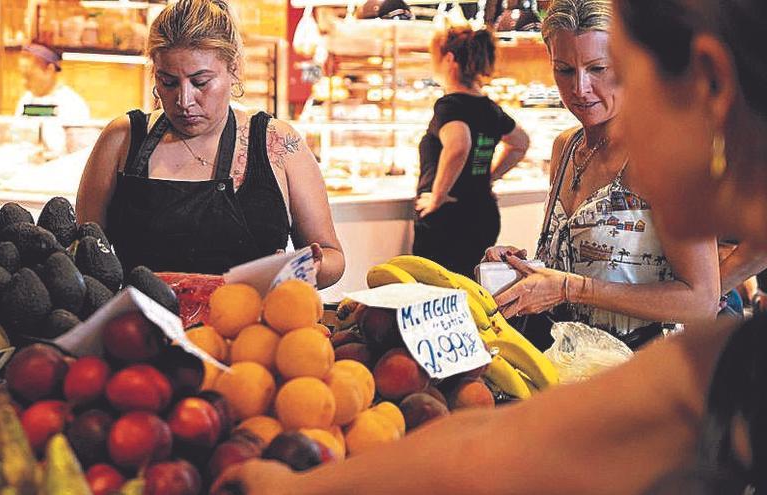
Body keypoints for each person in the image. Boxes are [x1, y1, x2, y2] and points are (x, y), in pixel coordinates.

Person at [210, 0, 766, 492]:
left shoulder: (724, 369)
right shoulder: (732, 364)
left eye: (620, 75)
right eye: (566, 70)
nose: (585, 92)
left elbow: (485, 455)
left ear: (711, 84)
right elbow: (485, 448)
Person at [483, 0, 719, 348]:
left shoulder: (666, 155)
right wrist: (529, 268)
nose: (580, 88)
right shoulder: (566, 147)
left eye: (598, 68)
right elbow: (581, 259)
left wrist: (570, 288)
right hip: (562, 367)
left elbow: (702, 300)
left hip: (641, 378)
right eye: (564, 70)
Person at [76, 0, 344, 288]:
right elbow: (84, 253)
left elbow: (332, 257)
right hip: (140, 328)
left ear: (234, 69)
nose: (184, 101)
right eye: (168, 82)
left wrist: (304, 269)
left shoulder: (277, 143)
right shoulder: (123, 140)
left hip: (249, 328)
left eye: (200, 82)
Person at [414, 26, 529, 276]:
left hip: (449, 219)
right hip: (483, 213)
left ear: (449, 59)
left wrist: (438, 195)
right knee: (471, 289)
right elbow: (520, 143)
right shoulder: (489, 107)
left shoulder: (450, 104)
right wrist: (489, 177)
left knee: (436, 293)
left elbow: (459, 145)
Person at [15, 44, 90, 121]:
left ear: (50, 70)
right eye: (23, 76)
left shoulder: (73, 104)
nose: (23, 83)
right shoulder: (26, 99)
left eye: (29, 76)